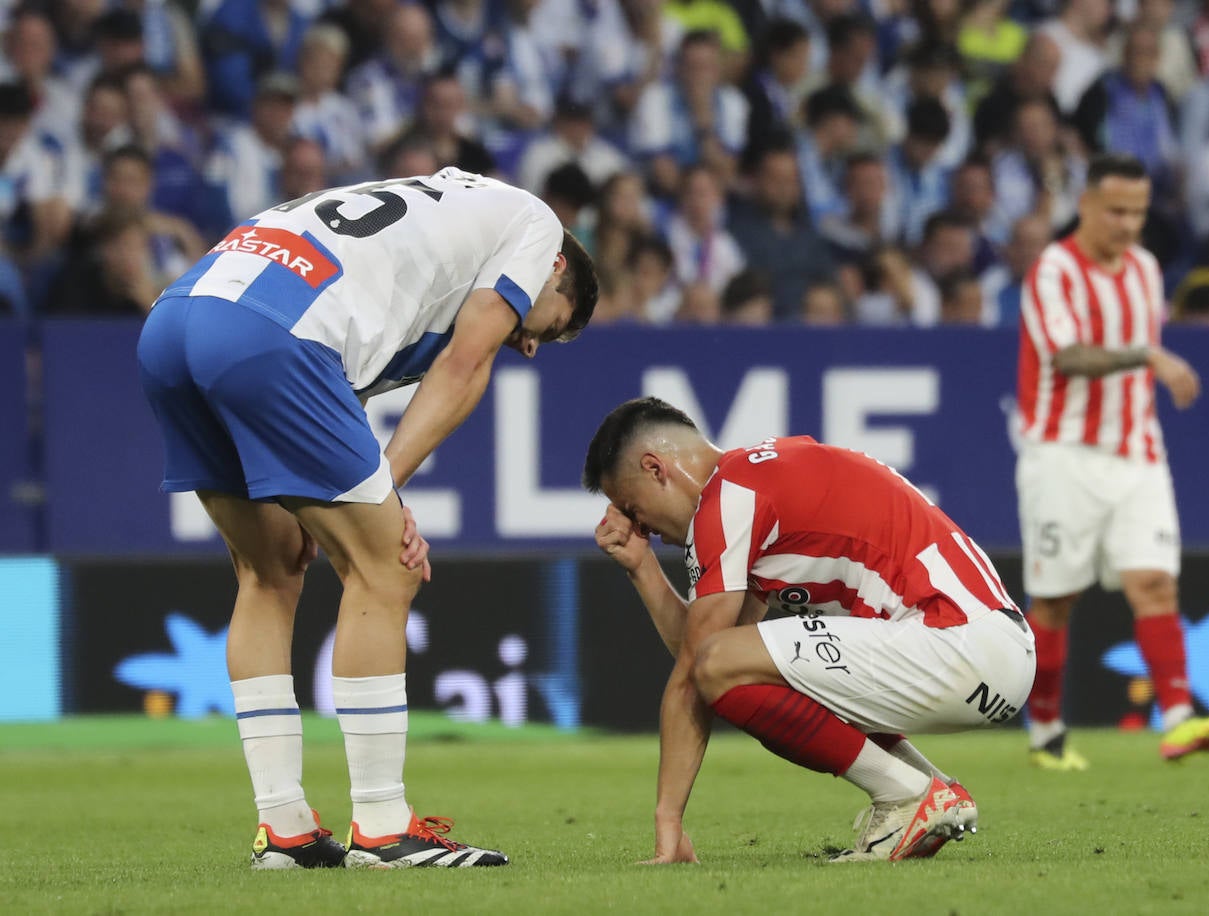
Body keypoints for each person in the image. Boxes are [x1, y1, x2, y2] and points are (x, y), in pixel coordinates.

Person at [136, 168, 599, 869]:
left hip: (176, 319)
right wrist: (389, 493)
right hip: (271, 334)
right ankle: (383, 826)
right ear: (557, 268)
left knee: (271, 572)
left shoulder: (447, 209)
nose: (529, 346)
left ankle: (283, 829)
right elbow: (464, 365)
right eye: (551, 328)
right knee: (386, 569)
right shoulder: (536, 226)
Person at [584, 397, 1034, 863]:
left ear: (656, 469)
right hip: (990, 650)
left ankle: (907, 796)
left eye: (634, 509)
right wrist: (643, 568)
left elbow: (702, 663)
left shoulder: (729, 498)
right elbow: (710, 663)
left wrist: (668, 821)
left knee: (720, 663)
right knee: (736, 665)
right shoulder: (756, 483)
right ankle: (928, 792)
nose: (644, 529)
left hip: (959, 641)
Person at [1017, 153, 1209, 770]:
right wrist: (1147, 355)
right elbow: (1068, 357)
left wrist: (1146, 362)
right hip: (1062, 454)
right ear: (1085, 206)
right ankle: (1047, 732)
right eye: (1116, 210)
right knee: (1057, 600)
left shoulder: (1144, 269)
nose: (1128, 223)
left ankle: (1180, 718)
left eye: (1138, 211)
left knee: (1155, 584)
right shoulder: (1054, 271)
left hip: (1138, 453)